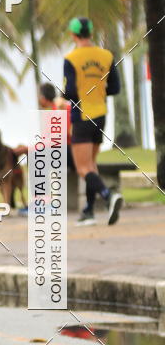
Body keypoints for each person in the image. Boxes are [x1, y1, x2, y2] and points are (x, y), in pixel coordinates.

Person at [63, 17, 122, 226]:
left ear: (73, 34)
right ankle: (88, 211)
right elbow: (115, 88)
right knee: (91, 166)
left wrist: (62, 97)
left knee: (83, 168)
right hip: (101, 114)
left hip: (82, 116)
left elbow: (70, 91)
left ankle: (108, 196)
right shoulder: (106, 56)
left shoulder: (71, 58)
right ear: (90, 33)